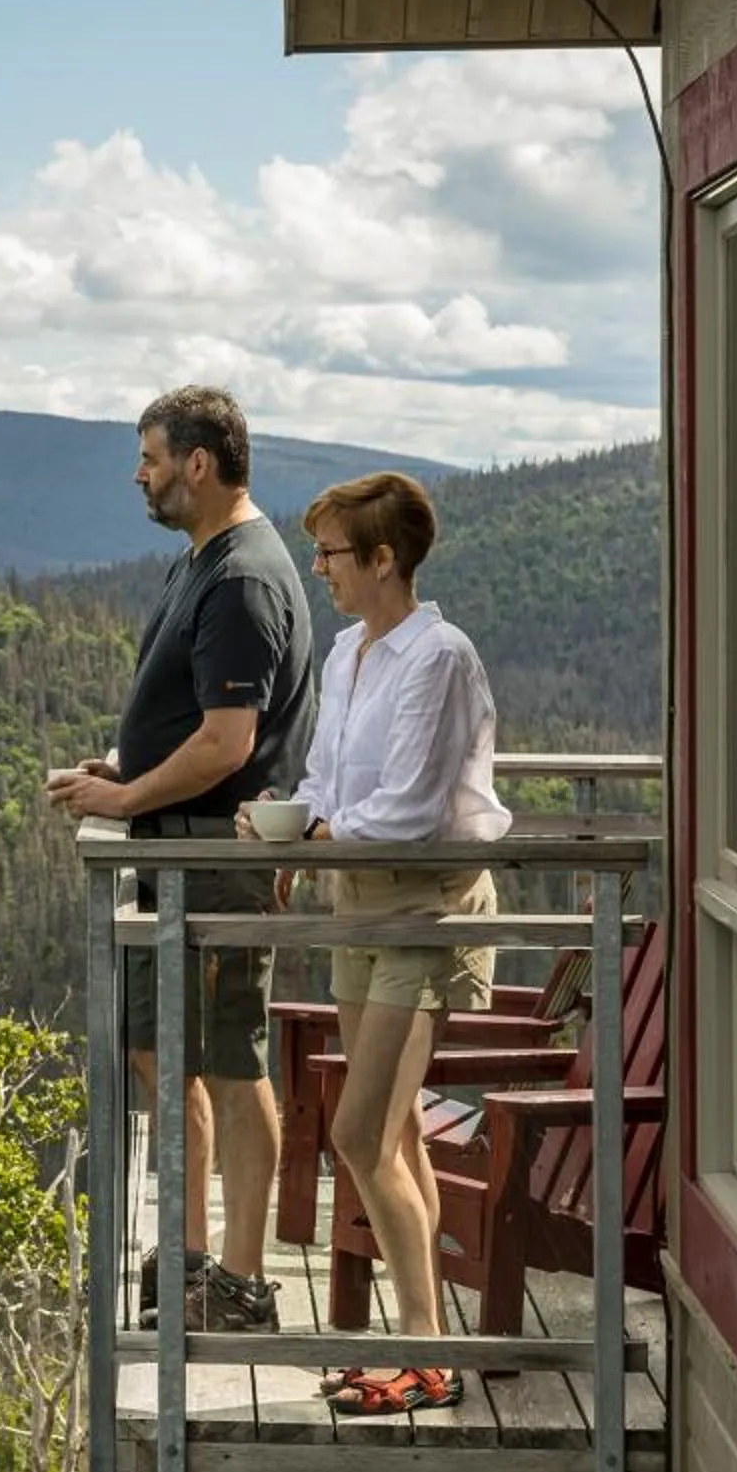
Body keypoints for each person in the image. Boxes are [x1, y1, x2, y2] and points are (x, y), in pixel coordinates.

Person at [48, 386, 313, 1334]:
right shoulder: (207, 561)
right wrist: (126, 765)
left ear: (199, 463)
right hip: (186, 848)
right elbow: (192, 730)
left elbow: (229, 744)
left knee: (231, 1061)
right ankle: (195, 1256)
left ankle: (239, 1283)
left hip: (216, 854)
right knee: (167, 1054)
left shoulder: (241, 578)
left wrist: (124, 798)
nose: (140, 473)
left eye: (151, 457)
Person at [246, 471, 508, 1416]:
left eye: (331, 554)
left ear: (384, 559)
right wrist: (290, 826)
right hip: (356, 899)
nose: (319, 569)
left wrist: (317, 836)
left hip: (423, 909)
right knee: (392, 1131)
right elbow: (326, 778)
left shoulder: (440, 658)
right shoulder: (351, 656)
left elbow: (406, 809)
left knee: (358, 1132)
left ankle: (428, 1360)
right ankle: (419, 1340)